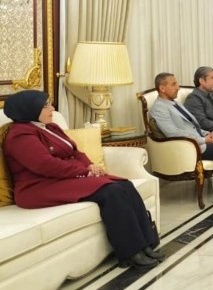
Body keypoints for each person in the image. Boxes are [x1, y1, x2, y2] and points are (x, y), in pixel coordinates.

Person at [3, 90, 163, 269]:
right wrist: (84, 172)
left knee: (124, 184)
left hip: (60, 179)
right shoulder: (19, 135)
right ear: (30, 109)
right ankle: (131, 252)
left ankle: (147, 244)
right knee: (112, 192)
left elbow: (75, 152)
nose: (52, 109)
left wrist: (90, 165)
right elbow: (45, 165)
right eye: (46, 105)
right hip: (37, 187)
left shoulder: (51, 127)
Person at [149, 72, 213, 205]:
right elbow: (173, 133)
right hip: (190, 147)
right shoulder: (159, 108)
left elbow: (193, 125)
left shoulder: (174, 103)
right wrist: (203, 140)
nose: (178, 87)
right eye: (173, 84)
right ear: (162, 88)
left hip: (199, 140)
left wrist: (206, 134)